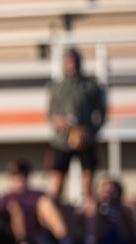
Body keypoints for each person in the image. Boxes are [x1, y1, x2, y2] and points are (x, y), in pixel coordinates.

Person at [45, 47, 106, 202]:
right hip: (62, 141)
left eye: (74, 61)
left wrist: (92, 132)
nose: (71, 64)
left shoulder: (90, 85)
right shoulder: (57, 86)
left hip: (85, 139)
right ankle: (57, 211)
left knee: (88, 179)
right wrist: (59, 122)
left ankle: (89, 210)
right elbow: (51, 114)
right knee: (57, 180)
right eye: (68, 61)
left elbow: (101, 112)